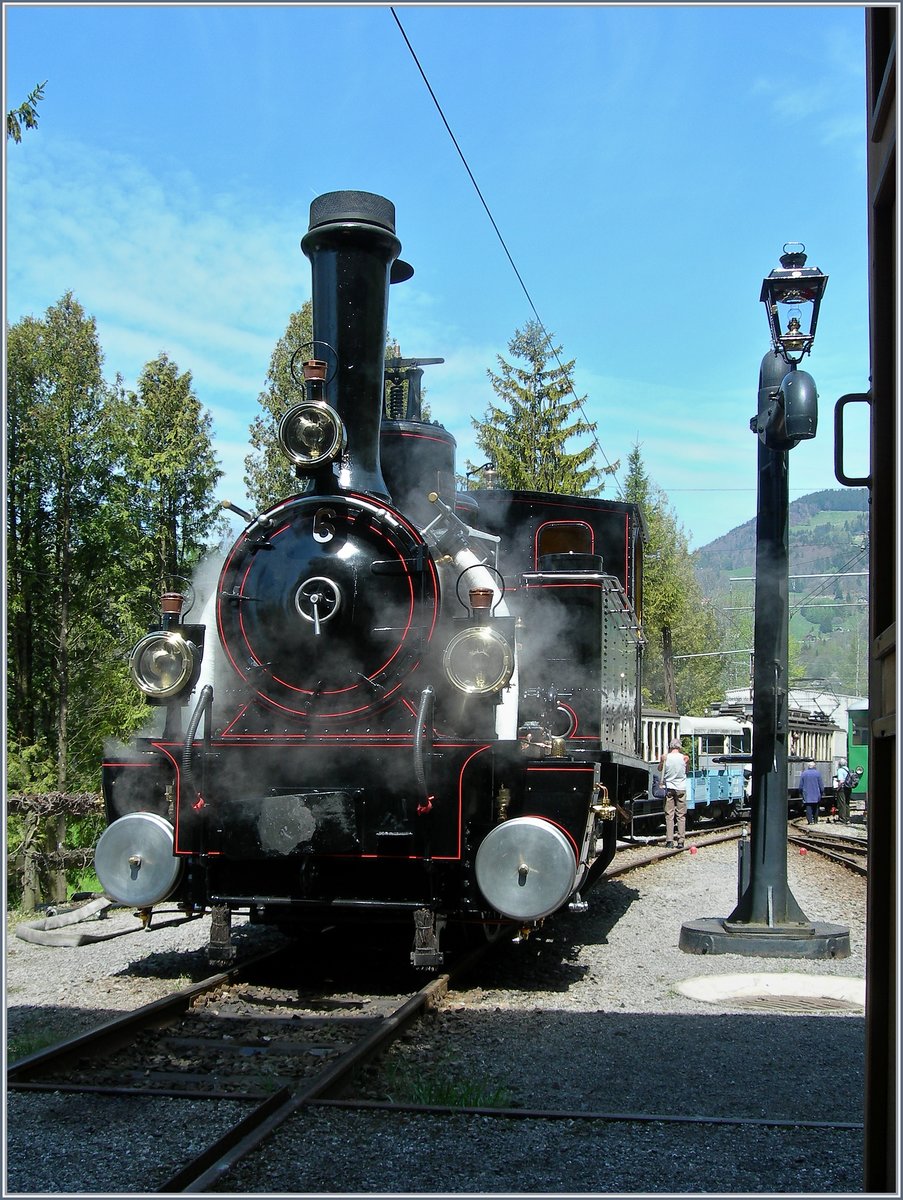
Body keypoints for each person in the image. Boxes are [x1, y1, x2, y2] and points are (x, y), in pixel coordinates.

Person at [660, 737, 689, 848]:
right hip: (681, 788)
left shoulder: (665, 757)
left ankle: (669, 841)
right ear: (679, 747)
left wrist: (662, 761)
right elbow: (687, 771)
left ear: (670, 746)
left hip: (670, 788)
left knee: (669, 815)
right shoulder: (685, 758)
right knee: (681, 815)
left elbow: (660, 769)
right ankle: (681, 841)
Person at [799, 760, 824, 825]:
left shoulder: (804, 773)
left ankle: (810, 821)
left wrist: (801, 792)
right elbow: (821, 785)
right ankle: (815, 820)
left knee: (808, 808)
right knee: (816, 807)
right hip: (816, 794)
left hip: (807, 794)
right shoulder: (818, 773)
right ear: (814, 766)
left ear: (808, 767)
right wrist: (822, 792)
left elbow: (801, 786)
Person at [833, 759, 853, 824]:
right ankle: (847, 818)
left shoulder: (840, 770)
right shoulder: (848, 769)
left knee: (842, 803)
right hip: (848, 788)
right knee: (847, 803)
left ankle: (842, 819)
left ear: (840, 764)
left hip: (842, 788)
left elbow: (841, 781)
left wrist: (837, 788)